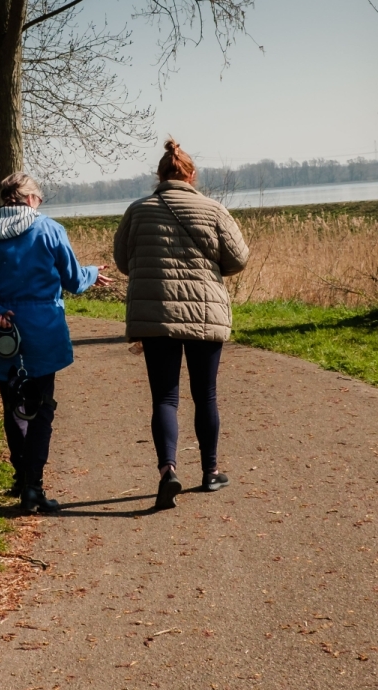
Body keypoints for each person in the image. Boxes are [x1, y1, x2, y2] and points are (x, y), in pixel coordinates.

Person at [0, 172, 113, 513]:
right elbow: (72, 280)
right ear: (30, 199)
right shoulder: (50, 230)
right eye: (39, 199)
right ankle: (33, 487)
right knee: (41, 408)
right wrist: (92, 273)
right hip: (42, 331)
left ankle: (20, 476)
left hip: (1, 334)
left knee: (14, 407)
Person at [113, 140, 250, 511]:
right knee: (204, 394)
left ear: (159, 176)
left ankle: (168, 470)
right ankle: (210, 472)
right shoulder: (214, 209)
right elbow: (239, 258)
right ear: (191, 175)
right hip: (206, 312)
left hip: (156, 316)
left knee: (164, 397)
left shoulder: (137, 211)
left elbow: (123, 260)